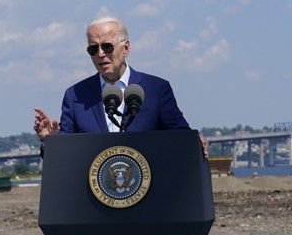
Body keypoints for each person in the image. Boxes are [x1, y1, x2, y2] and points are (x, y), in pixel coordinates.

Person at [34, 16, 206, 152]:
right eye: (93, 49)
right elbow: (65, 155)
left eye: (107, 46)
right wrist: (51, 141)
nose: (100, 54)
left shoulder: (157, 89)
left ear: (126, 48)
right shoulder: (75, 96)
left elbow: (182, 137)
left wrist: (196, 142)